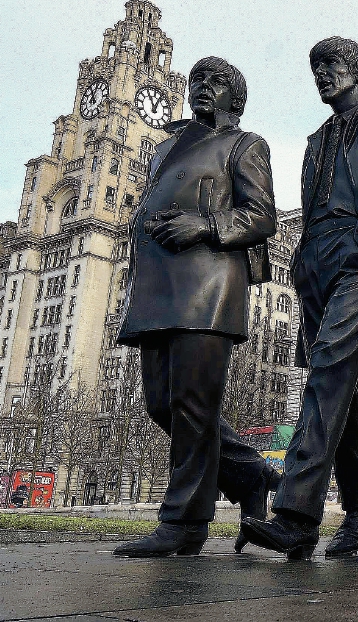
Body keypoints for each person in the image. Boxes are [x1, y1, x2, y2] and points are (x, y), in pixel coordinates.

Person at [240, 37, 358, 559]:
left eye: (331, 64)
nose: (321, 74)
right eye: (315, 68)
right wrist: (304, 258)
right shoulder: (317, 139)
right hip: (315, 265)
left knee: (327, 370)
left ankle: (296, 515)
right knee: (340, 383)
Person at [113, 56, 280, 557]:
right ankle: (250, 475)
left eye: (217, 81)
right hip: (158, 286)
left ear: (236, 96)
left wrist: (204, 226)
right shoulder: (166, 148)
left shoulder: (245, 144)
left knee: (192, 405)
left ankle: (184, 522)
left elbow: (261, 215)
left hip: (207, 286)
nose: (203, 87)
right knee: (162, 404)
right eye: (197, 80)